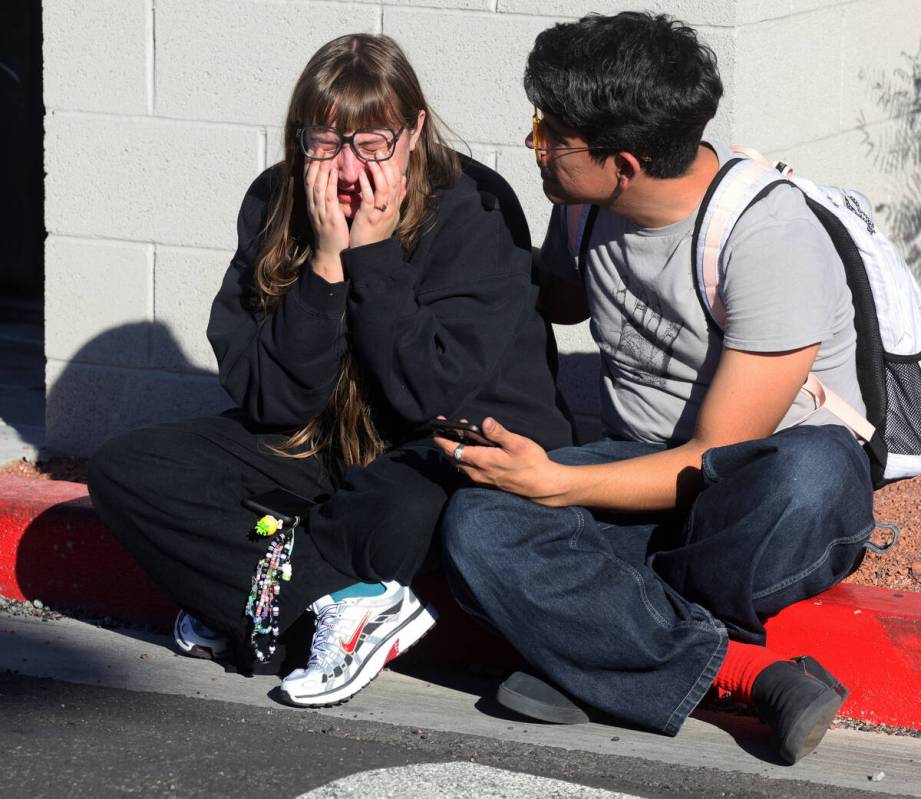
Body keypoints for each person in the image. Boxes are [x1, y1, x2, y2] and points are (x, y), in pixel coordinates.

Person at [436, 12, 876, 764]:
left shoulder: (768, 238)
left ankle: (602, 648)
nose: (533, 144)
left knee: (807, 475)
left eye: (551, 134)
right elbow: (557, 299)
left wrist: (551, 484)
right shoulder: (580, 204)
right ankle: (743, 669)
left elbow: (713, 456)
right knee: (478, 521)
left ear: (627, 164)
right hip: (640, 471)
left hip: (752, 491)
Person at [88, 33, 571, 708]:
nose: (347, 168)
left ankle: (256, 606)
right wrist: (322, 264)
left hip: (447, 447)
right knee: (129, 468)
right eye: (325, 142)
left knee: (399, 510)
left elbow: (428, 395)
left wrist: (372, 255)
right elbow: (273, 401)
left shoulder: (471, 206)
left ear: (415, 132)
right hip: (322, 443)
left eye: (373, 142)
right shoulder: (275, 201)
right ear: (299, 137)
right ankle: (312, 606)